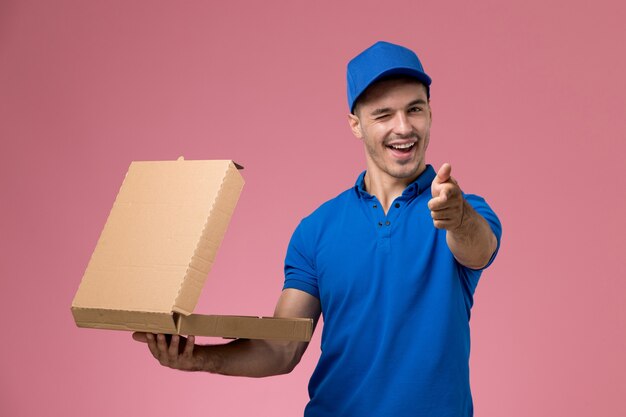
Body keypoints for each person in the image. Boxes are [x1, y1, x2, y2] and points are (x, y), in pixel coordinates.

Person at [133, 40, 502, 417]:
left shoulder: (465, 211)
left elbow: (478, 249)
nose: (403, 127)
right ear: (355, 125)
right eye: (383, 115)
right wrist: (196, 358)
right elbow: (282, 348)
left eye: (415, 109)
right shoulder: (317, 230)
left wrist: (456, 218)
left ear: (430, 113)